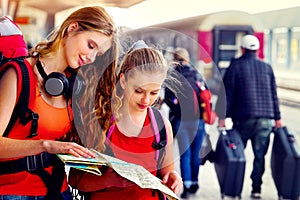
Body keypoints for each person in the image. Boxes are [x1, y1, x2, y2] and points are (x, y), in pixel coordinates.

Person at [0, 6, 118, 199]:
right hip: (13, 193)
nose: (90, 58)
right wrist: (46, 145)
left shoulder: (75, 85)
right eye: (90, 45)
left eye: (98, 54)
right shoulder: (19, 74)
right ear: (72, 28)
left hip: (57, 191)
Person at [69, 40, 183, 200]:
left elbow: (167, 172)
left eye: (154, 92)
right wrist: (106, 180)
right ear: (123, 81)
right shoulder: (100, 120)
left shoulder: (162, 125)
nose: (146, 100)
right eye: (139, 91)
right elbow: (75, 179)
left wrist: (174, 178)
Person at [217, 34, 282, 199]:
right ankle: (256, 189)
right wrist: (277, 118)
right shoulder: (267, 67)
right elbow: (274, 95)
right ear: (257, 49)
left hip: (244, 119)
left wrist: (222, 116)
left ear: (243, 48)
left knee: (237, 154)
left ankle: (234, 188)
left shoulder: (235, 66)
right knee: (260, 156)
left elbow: (228, 93)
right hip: (266, 121)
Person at [164, 47, 207, 198]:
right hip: (199, 121)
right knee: (195, 154)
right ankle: (195, 183)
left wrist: (177, 110)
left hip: (181, 121)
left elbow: (169, 99)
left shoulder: (173, 76)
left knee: (185, 154)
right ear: (187, 59)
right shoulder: (197, 75)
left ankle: (187, 184)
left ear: (175, 59)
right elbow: (206, 95)